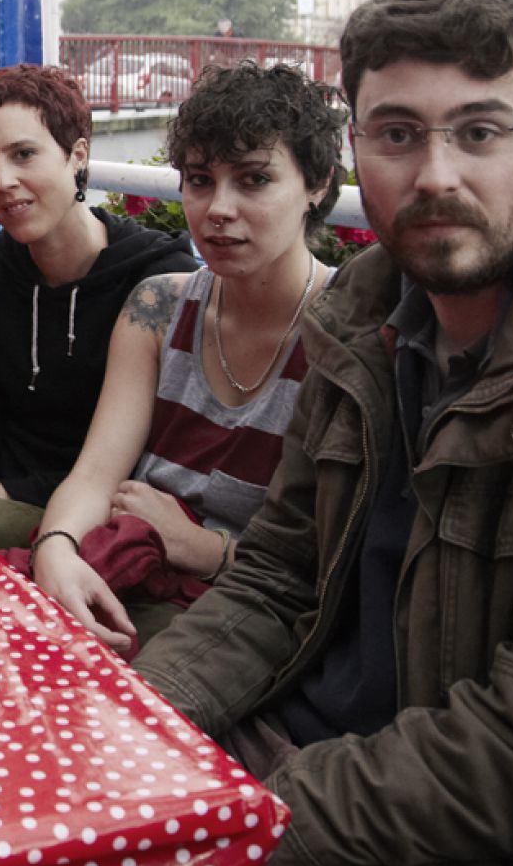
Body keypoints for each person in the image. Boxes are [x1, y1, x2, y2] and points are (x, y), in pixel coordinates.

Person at [133, 0, 513, 866]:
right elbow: (279, 579)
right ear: (357, 149)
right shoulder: (357, 326)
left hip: (469, 830)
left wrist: (242, 825)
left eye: (480, 132)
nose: (436, 174)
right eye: (399, 135)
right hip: (304, 759)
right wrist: (128, 725)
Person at [28, 62, 344, 652]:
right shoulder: (158, 305)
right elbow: (97, 472)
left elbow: (331, 552)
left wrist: (203, 548)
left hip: (248, 609)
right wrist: (57, 549)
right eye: (200, 180)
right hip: (128, 557)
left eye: (253, 180)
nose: (218, 208)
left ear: (317, 183)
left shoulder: (343, 332)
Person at [0, 64, 196, 546]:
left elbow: (161, 445)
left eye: (23, 155)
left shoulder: (156, 279)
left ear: (77, 155)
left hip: (115, 506)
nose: (3, 181)